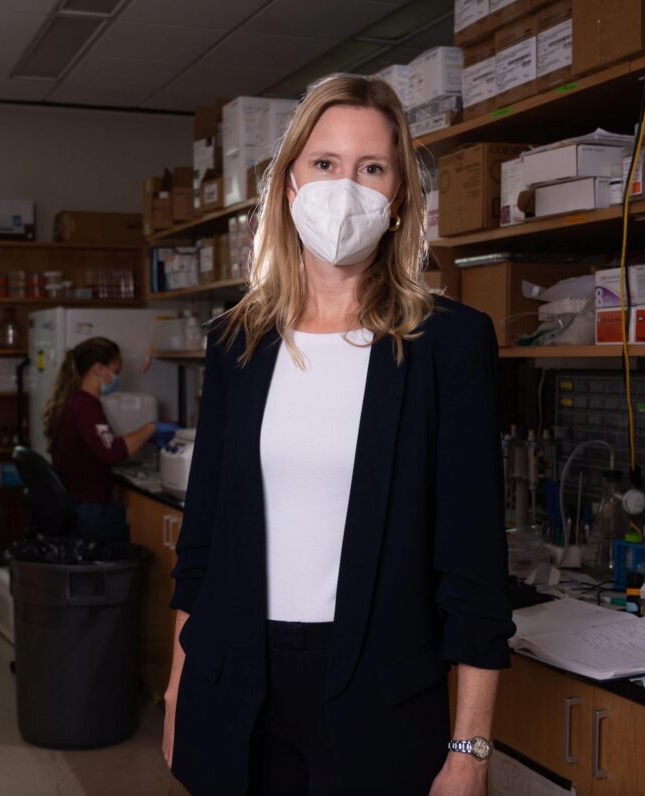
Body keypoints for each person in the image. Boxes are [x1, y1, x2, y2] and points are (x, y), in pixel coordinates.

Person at [161, 74, 514, 795]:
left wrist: (470, 748)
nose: (344, 187)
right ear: (289, 183)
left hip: (379, 696)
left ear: (399, 197)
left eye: (371, 168)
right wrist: (177, 688)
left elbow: (475, 566)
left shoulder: (449, 345)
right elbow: (201, 543)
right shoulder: (237, 342)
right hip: (234, 684)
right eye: (324, 164)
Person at [42, 336, 177, 540]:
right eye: (115, 372)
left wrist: (143, 437)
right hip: (87, 509)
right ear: (98, 369)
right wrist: (152, 428)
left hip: (77, 503)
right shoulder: (86, 406)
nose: (116, 379)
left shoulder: (75, 401)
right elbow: (112, 452)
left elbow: (99, 443)